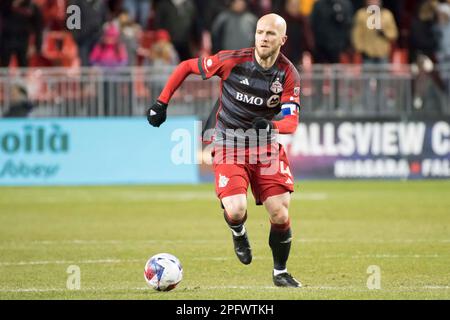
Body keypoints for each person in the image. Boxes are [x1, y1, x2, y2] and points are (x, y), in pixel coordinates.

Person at [146, 13, 302, 287]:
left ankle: (280, 273)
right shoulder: (232, 60)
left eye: (270, 34)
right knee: (237, 208)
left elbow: (291, 121)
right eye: (260, 32)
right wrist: (161, 102)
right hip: (229, 143)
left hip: (265, 148)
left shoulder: (288, 74)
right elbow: (185, 67)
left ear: (283, 40)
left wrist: (272, 127)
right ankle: (238, 230)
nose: (263, 38)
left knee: (280, 213)